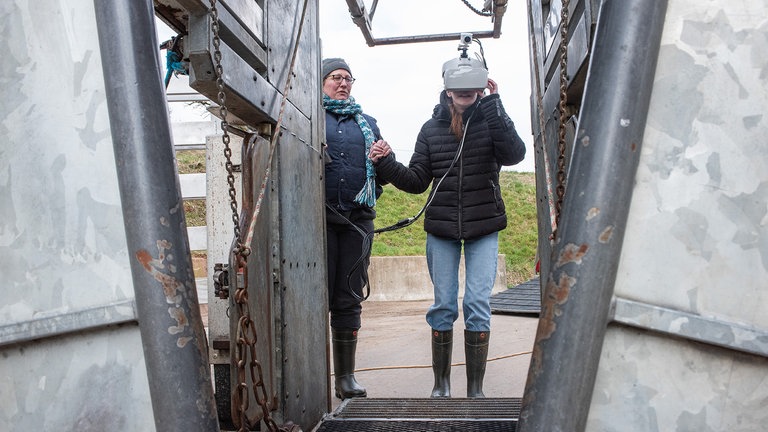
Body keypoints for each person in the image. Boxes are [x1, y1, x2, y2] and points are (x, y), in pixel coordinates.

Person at [370, 59, 526, 398]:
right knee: (443, 305)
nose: (466, 93)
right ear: (447, 90)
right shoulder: (430, 129)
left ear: (483, 87)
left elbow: (515, 155)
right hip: (441, 228)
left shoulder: (491, 119)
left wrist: (495, 106)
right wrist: (387, 162)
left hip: (483, 226)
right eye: (460, 89)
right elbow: (415, 181)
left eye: (473, 89)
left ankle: (475, 389)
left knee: (476, 303)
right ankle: (441, 385)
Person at [321, 57, 391, 400]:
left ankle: (345, 378)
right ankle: (311, 371)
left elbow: (380, 169)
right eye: (336, 77)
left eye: (348, 78)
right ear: (322, 82)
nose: (343, 83)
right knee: (312, 295)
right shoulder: (307, 118)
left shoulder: (368, 122)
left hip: (356, 223)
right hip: (316, 223)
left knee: (348, 296)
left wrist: (373, 188)